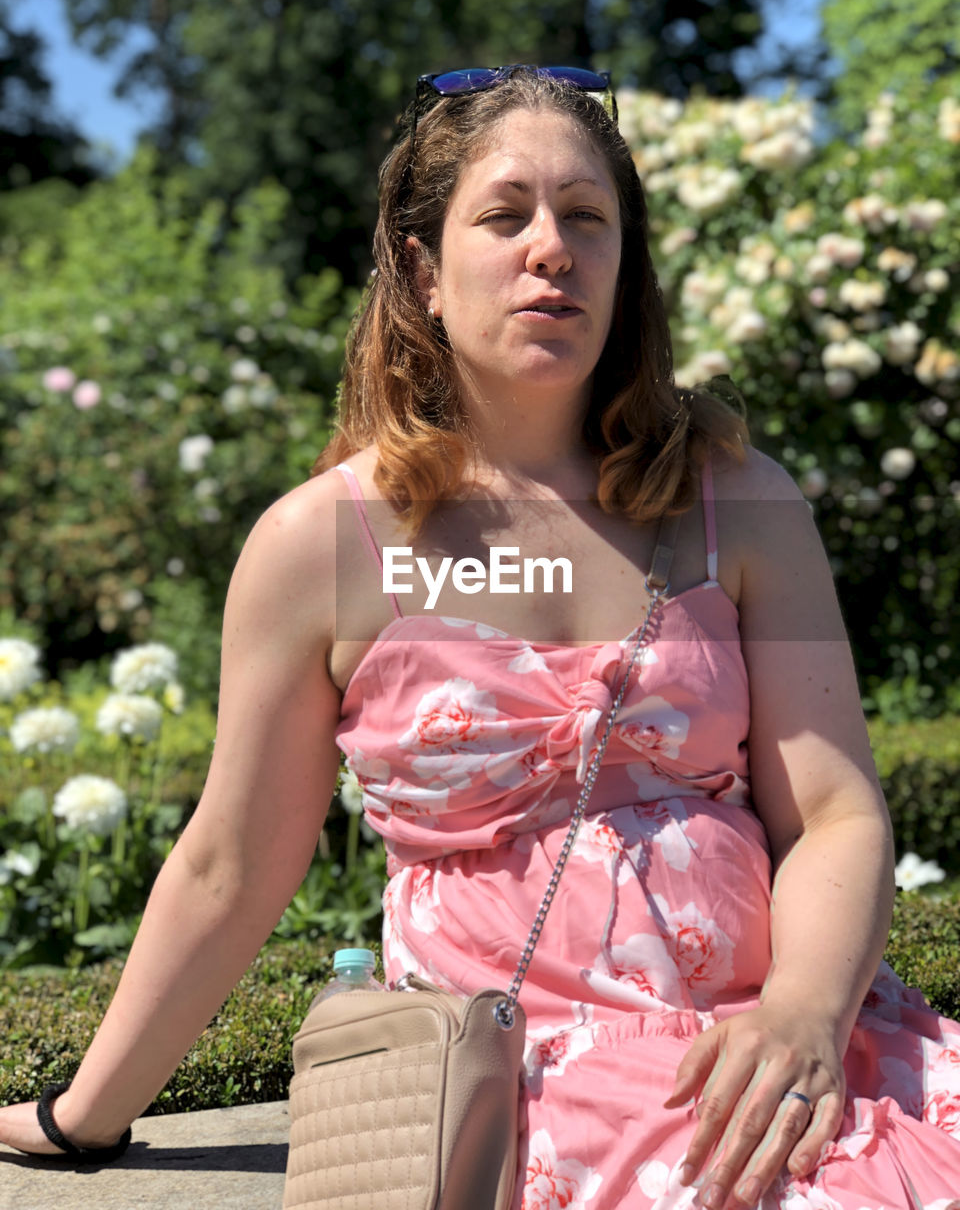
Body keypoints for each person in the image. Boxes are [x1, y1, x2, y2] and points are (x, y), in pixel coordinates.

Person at [1, 64, 959, 1210]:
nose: (550, 247)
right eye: (505, 215)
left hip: (796, 1044)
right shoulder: (323, 544)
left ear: (623, 265)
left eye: (587, 218)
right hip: (535, 1074)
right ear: (424, 270)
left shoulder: (737, 497)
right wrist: (82, 1112)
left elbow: (840, 810)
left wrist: (808, 1010)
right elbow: (232, 861)